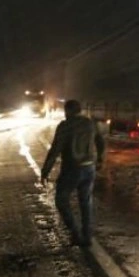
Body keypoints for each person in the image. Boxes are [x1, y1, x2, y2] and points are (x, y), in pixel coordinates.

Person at [41, 100, 105, 247]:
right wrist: (100, 159)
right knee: (85, 202)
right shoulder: (90, 123)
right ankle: (87, 236)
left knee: (61, 200)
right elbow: (100, 141)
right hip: (89, 168)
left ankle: (75, 233)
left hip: (72, 169)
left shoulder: (65, 126)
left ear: (68, 111)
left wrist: (45, 171)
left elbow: (55, 150)